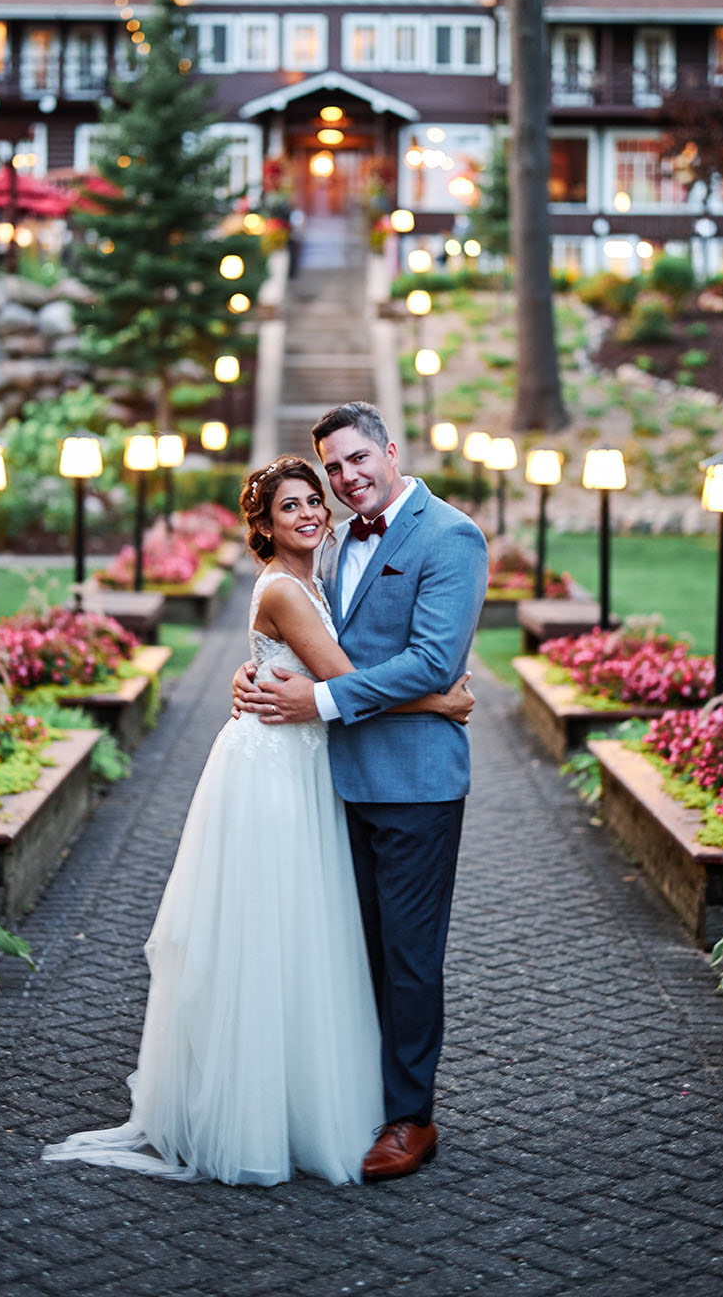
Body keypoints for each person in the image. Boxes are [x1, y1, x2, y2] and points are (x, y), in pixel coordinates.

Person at [42, 455, 470, 1188]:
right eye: (289, 507)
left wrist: (263, 673)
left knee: (302, 936)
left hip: (307, 764)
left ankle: (307, 1092)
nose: (307, 513)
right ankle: (260, 1107)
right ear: (264, 526)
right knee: (273, 936)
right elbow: (339, 680)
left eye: (313, 500)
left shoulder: (323, 569)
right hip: (275, 772)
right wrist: (439, 702)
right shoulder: (286, 588)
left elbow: (336, 672)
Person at [235, 403, 488, 1182]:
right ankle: (349, 1097)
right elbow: (307, 637)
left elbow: (431, 662)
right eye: (332, 469)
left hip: (412, 783)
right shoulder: (336, 537)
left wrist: (315, 701)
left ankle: (410, 1118)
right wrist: (255, 671)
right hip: (325, 782)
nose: (345, 480)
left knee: (409, 960)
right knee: (346, 953)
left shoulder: (450, 536)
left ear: (390, 450)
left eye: (356, 461)